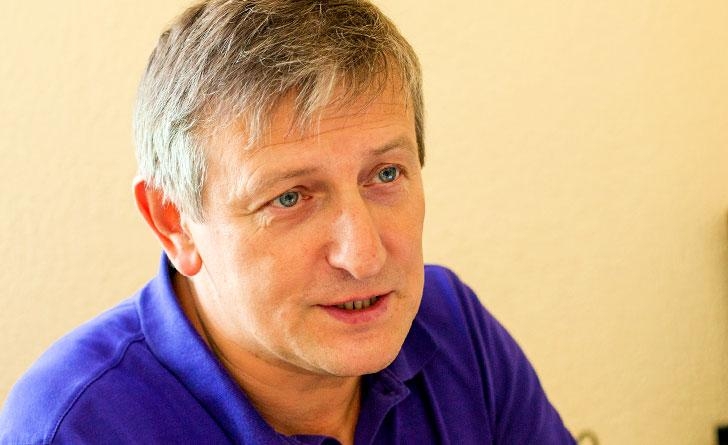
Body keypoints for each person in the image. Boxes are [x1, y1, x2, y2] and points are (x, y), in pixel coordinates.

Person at [0, 1, 576, 443]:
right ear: (174, 223)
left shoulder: (451, 325)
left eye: (385, 175)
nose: (364, 256)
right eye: (290, 198)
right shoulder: (76, 425)